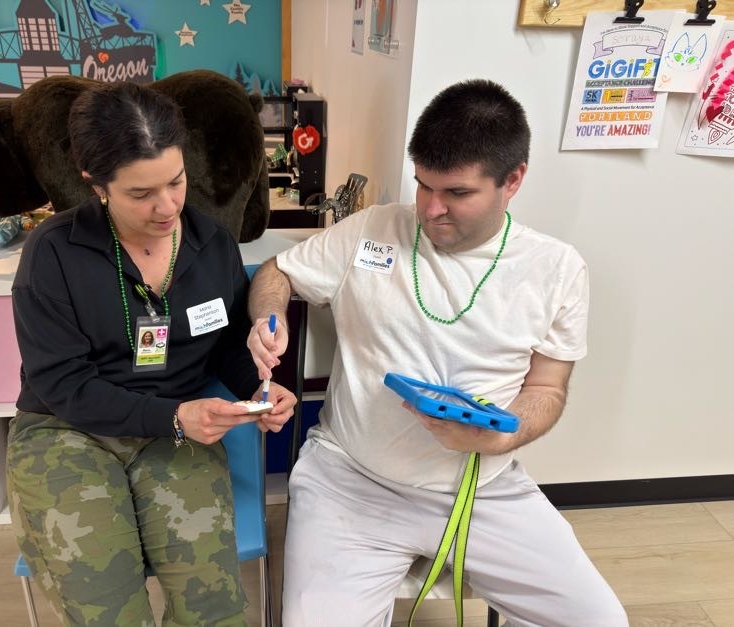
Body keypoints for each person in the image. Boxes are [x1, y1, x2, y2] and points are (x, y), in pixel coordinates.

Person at [247, 79, 628, 626]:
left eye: (456, 193)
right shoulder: (372, 230)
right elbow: (276, 272)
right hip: (351, 481)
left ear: (512, 180)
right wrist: (269, 315)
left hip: (484, 489)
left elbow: (547, 390)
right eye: (423, 185)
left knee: (600, 622)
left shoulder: (556, 269)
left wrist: (505, 432)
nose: (430, 209)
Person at [7, 81, 295, 627]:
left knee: (214, 607)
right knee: (106, 607)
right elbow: (65, 387)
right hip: (66, 430)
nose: (167, 207)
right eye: (141, 194)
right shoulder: (53, 254)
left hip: (175, 428)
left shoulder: (212, 244)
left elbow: (226, 348)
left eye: (176, 182)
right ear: (97, 186)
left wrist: (256, 387)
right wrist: (174, 416)